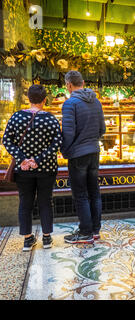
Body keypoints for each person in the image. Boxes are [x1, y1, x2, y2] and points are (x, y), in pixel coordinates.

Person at [2, 85, 63, 251]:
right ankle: (47, 238)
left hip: (23, 170)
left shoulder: (16, 117)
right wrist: (38, 159)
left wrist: (23, 159)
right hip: (47, 169)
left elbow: (7, 140)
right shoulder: (51, 119)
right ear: (44, 100)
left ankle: (28, 240)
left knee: (25, 202)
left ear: (29, 99)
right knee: (45, 201)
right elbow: (57, 143)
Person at [61, 71, 106, 244]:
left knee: (80, 195)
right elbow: (102, 129)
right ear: (83, 82)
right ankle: (95, 230)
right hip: (94, 152)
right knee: (94, 192)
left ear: (69, 85)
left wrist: (65, 151)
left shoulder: (70, 103)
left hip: (78, 155)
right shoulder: (96, 101)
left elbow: (68, 133)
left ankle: (85, 232)